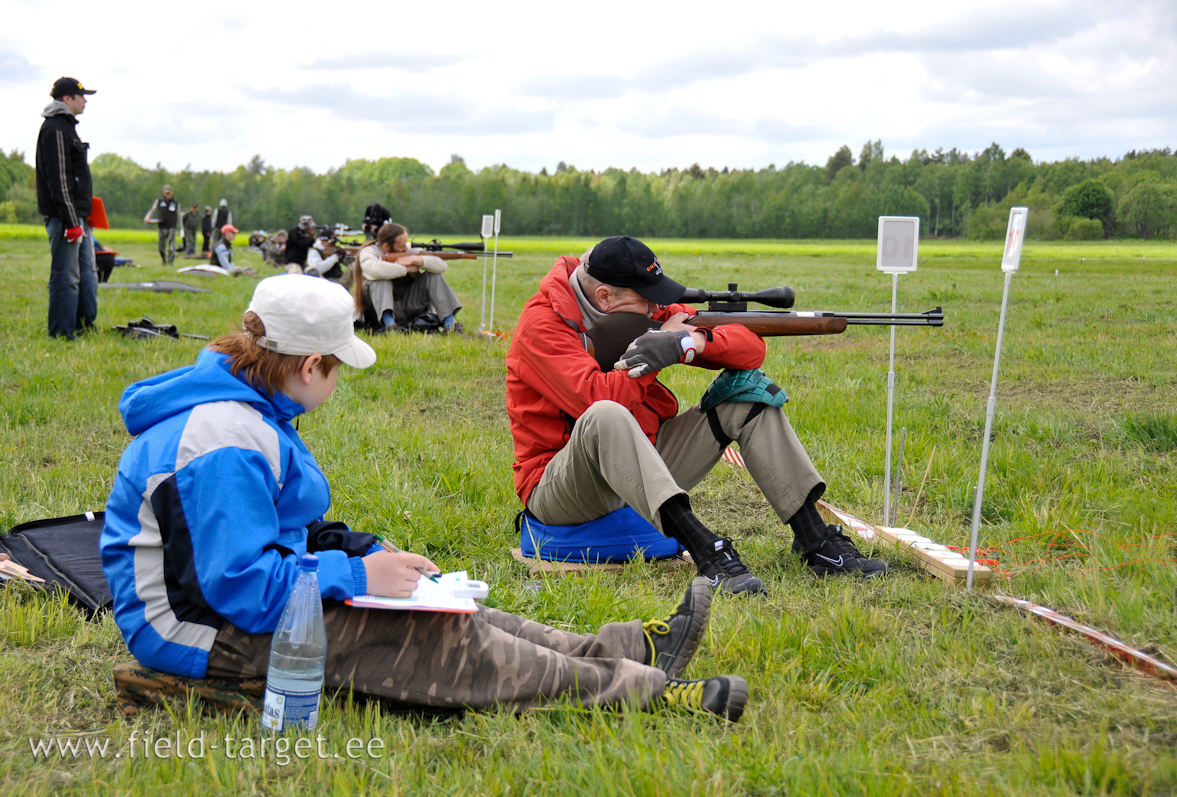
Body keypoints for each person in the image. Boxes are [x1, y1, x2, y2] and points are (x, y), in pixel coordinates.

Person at [100, 274, 746, 721]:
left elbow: (285, 530)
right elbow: (241, 587)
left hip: (237, 604)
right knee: (438, 638)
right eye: (337, 367)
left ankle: (627, 648)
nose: (337, 380)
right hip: (201, 633)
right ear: (309, 365)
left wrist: (367, 554)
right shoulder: (226, 442)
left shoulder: (252, 410)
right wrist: (359, 578)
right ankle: (642, 691)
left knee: (455, 607)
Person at [505, 236, 888, 597]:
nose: (656, 310)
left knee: (743, 394)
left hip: (639, 464)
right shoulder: (541, 326)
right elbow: (599, 397)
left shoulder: (633, 304)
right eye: (647, 302)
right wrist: (654, 353)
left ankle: (815, 540)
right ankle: (707, 551)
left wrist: (689, 342)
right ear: (604, 296)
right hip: (559, 490)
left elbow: (749, 349)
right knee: (605, 414)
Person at [35, 76, 97, 340]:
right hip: (65, 219)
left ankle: (84, 327)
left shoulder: (67, 128)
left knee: (87, 275)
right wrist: (72, 222)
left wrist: (84, 215)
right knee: (66, 276)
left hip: (78, 217)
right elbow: (59, 180)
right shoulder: (56, 129)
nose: (85, 101)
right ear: (68, 98)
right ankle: (62, 333)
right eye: (82, 96)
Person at [355, 222, 463, 333]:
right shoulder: (369, 252)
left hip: (407, 306)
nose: (406, 248)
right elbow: (376, 270)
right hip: (376, 311)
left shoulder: (407, 250)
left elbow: (441, 265)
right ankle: (390, 327)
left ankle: (450, 325)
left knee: (434, 276)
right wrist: (406, 269)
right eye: (402, 246)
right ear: (387, 247)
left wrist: (418, 260)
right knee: (380, 280)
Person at [144, 185, 181, 265]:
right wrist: (148, 216)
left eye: (169, 193)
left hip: (172, 227)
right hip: (162, 226)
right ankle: (164, 259)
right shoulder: (159, 201)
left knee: (171, 247)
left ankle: (170, 262)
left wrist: (181, 228)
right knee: (161, 248)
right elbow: (153, 210)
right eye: (166, 193)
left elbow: (179, 216)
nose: (168, 195)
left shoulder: (176, 203)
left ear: (172, 193)